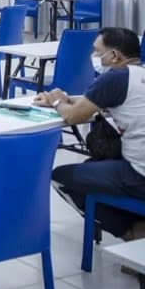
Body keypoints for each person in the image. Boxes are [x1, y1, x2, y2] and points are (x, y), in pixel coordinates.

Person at [42, 27, 145, 241]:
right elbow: (97, 102)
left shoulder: (115, 77)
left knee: (61, 177)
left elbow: (73, 116)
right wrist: (65, 100)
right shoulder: (137, 75)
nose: (95, 57)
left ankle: (132, 232)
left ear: (114, 55)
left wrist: (57, 101)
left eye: (98, 52)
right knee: (93, 166)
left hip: (139, 175)